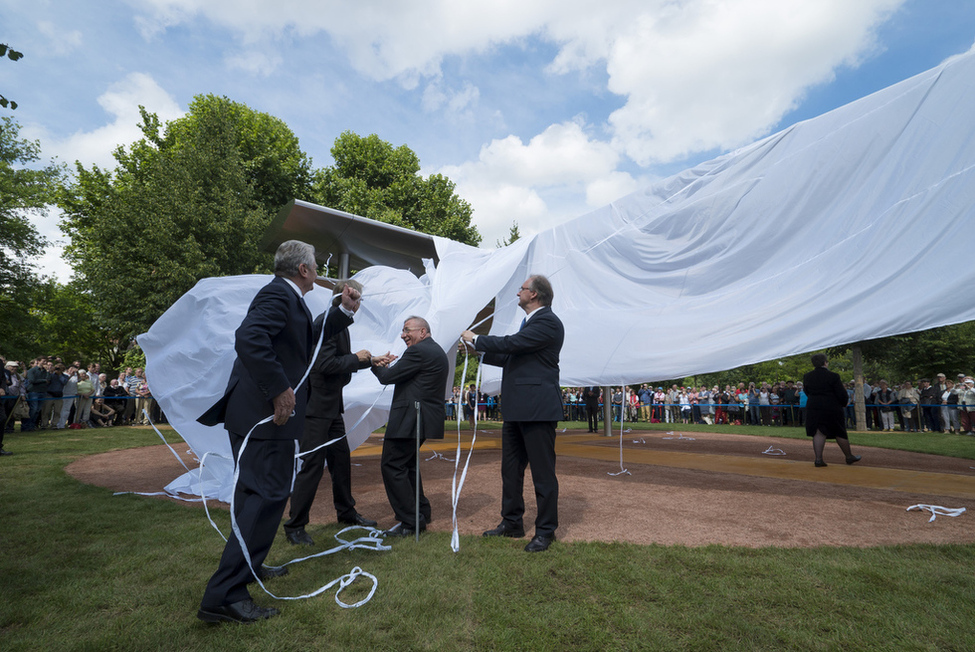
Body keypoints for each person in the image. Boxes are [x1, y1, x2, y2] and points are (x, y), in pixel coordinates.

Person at [195, 240, 358, 625]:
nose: (319, 271)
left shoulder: (288, 298)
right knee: (265, 497)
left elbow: (306, 341)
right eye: (316, 265)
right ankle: (226, 595)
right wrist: (280, 390)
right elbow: (249, 338)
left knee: (255, 495)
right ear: (303, 270)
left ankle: (250, 568)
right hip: (267, 418)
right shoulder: (276, 295)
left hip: (259, 417)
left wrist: (343, 311)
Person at [461, 275, 565, 553]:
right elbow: (511, 355)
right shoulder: (531, 325)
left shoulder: (548, 322)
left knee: (543, 474)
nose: (517, 292)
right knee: (511, 470)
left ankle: (545, 531)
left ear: (534, 294)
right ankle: (512, 522)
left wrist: (478, 338)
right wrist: (476, 349)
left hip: (538, 409)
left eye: (521, 288)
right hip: (518, 408)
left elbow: (514, 345)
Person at [283, 280, 379, 547]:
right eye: (357, 298)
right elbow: (324, 365)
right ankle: (295, 526)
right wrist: (357, 359)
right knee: (311, 466)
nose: (358, 304)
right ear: (346, 298)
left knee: (341, 461)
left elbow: (339, 363)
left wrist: (369, 361)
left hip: (331, 408)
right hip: (316, 410)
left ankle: (346, 513)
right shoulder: (328, 321)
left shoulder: (338, 323)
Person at [371, 316, 449, 536]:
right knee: (408, 466)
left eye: (407, 330)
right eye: (403, 330)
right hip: (420, 418)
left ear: (423, 332)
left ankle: (410, 521)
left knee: (392, 465)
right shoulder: (435, 350)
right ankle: (420, 512)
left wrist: (375, 364)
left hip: (411, 418)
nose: (403, 335)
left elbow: (387, 377)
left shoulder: (418, 351)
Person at [803, 353, 861, 467]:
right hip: (831, 406)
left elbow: (807, 391)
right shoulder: (833, 376)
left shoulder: (807, 376)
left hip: (813, 406)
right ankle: (849, 456)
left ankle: (818, 459)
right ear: (825, 362)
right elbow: (841, 393)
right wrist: (844, 402)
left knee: (818, 432)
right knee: (839, 431)